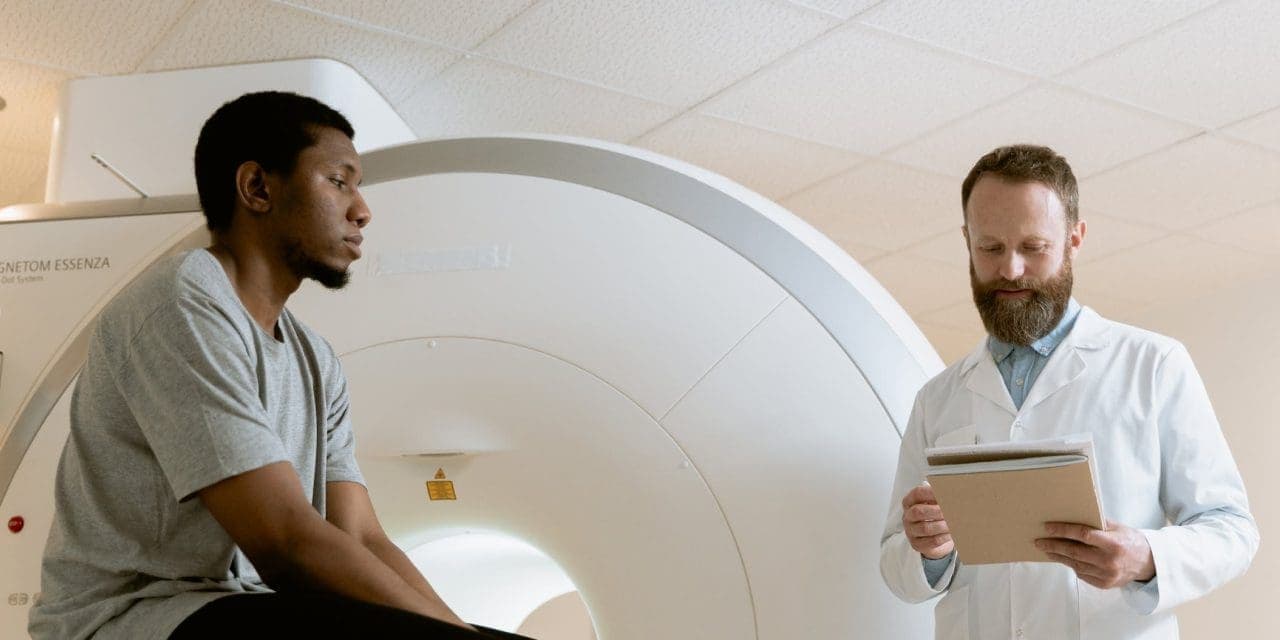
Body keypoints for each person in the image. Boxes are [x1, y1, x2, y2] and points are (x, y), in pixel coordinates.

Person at [29, 92, 533, 640]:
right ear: (257, 188)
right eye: (338, 182)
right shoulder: (180, 303)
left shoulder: (315, 358)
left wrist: (461, 631)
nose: (362, 210)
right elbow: (285, 542)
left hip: (241, 605)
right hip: (132, 616)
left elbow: (363, 538)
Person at [879, 144, 1258, 640]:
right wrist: (929, 551)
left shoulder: (1153, 365)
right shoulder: (937, 398)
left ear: (1074, 239)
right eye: (990, 248)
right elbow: (896, 564)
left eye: (1033, 247)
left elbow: (1232, 529)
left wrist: (1146, 557)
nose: (1010, 269)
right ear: (967, 241)